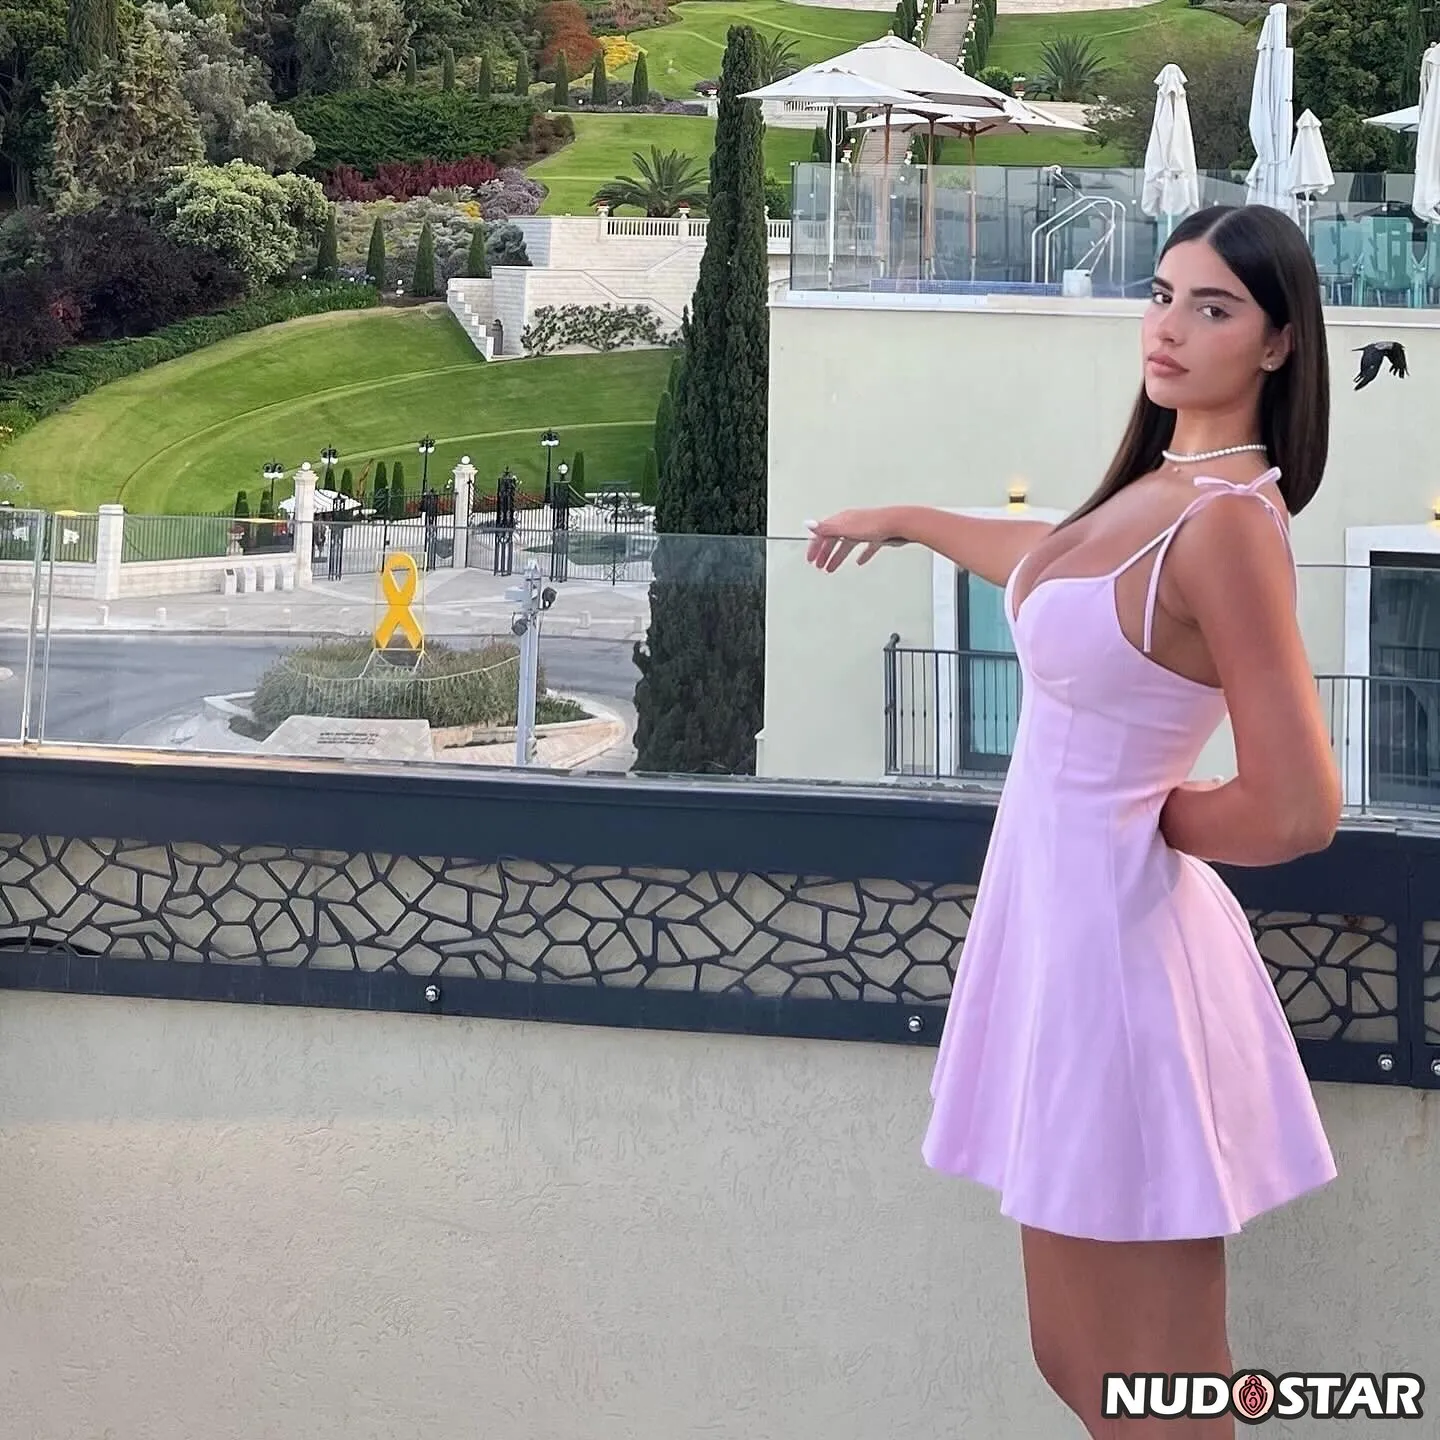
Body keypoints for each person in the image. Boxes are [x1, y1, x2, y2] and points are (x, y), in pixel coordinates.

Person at [805, 205, 1340, 1439]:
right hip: (1060, 942)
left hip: (1120, 961)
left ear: (1277, 344)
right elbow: (1051, 562)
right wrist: (906, 517)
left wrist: (1148, 824)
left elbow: (1298, 805)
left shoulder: (1229, 525)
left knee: (1153, 1385)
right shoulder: (1158, 491)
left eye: (1214, 308)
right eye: (1163, 295)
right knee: (1074, 1358)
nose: (1169, 327)